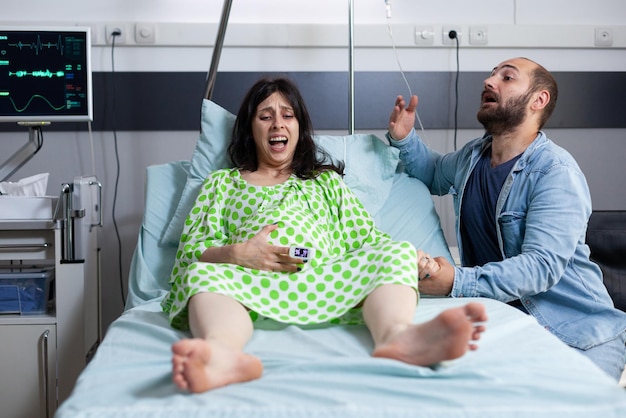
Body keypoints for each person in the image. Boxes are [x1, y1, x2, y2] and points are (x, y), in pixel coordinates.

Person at [161, 77, 488, 393]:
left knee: (397, 251)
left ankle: (398, 337)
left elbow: (367, 238)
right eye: (266, 116)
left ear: (299, 128)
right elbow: (193, 248)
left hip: (328, 277)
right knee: (202, 273)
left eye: (287, 116)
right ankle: (222, 354)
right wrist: (238, 254)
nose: (278, 124)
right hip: (249, 278)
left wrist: (412, 257)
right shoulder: (222, 183)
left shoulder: (325, 182)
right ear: (250, 128)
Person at [387, 57, 626, 381]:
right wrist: (405, 139)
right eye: (491, 74)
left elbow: (541, 266)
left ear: (538, 100)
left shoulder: (555, 173)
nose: (489, 81)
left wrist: (458, 281)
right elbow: (433, 172)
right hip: (507, 326)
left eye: (507, 77)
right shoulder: (474, 155)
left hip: (578, 335)